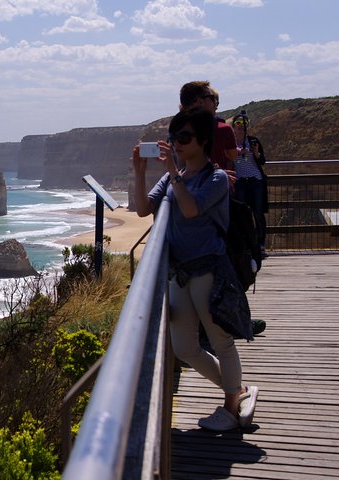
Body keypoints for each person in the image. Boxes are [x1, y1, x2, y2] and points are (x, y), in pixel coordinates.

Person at [132, 107, 258, 431]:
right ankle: (237, 390)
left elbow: (190, 210)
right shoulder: (172, 177)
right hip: (180, 273)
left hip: (208, 272)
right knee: (185, 346)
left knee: (220, 341)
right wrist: (139, 171)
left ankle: (231, 408)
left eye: (184, 137)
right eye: (174, 138)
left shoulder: (214, 178)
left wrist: (174, 170)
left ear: (203, 141)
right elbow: (143, 209)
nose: (177, 143)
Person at [231, 113, 268, 256]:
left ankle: (260, 244)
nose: (240, 129)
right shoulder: (231, 143)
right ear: (233, 127)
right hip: (240, 182)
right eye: (237, 126)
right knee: (243, 214)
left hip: (255, 181)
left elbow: (262, 161)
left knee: (258, 213)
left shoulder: (253, 141)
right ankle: (246, 244)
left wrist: (257, 153)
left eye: (243, 126)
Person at [179, 81, 237, 172]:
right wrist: (217, 175)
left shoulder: (177, 130)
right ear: (200, 102)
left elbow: (179, 167)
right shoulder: (223, 129)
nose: (215, 103)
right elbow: (233, 156)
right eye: (212, 98)